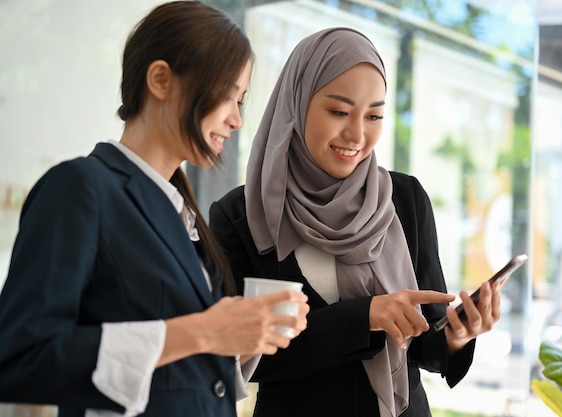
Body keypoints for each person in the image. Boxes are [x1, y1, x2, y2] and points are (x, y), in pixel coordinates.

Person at [0, 2, 309, 417]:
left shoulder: (182, 212)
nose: (236, 119)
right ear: (161, 79)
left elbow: (177, 372)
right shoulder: (79, 189)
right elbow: (21, 360)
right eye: (227, 95)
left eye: (242, 100)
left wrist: (243, 335)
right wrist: (202, 332)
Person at [209, 27, 503, 417]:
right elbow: (246, 357)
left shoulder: (405, 200)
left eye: (374, 115)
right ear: (296, 103)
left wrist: (458, 335)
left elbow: (426, 346)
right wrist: (364, 316)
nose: (357, 134)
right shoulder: (243, 214)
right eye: (339, 112)